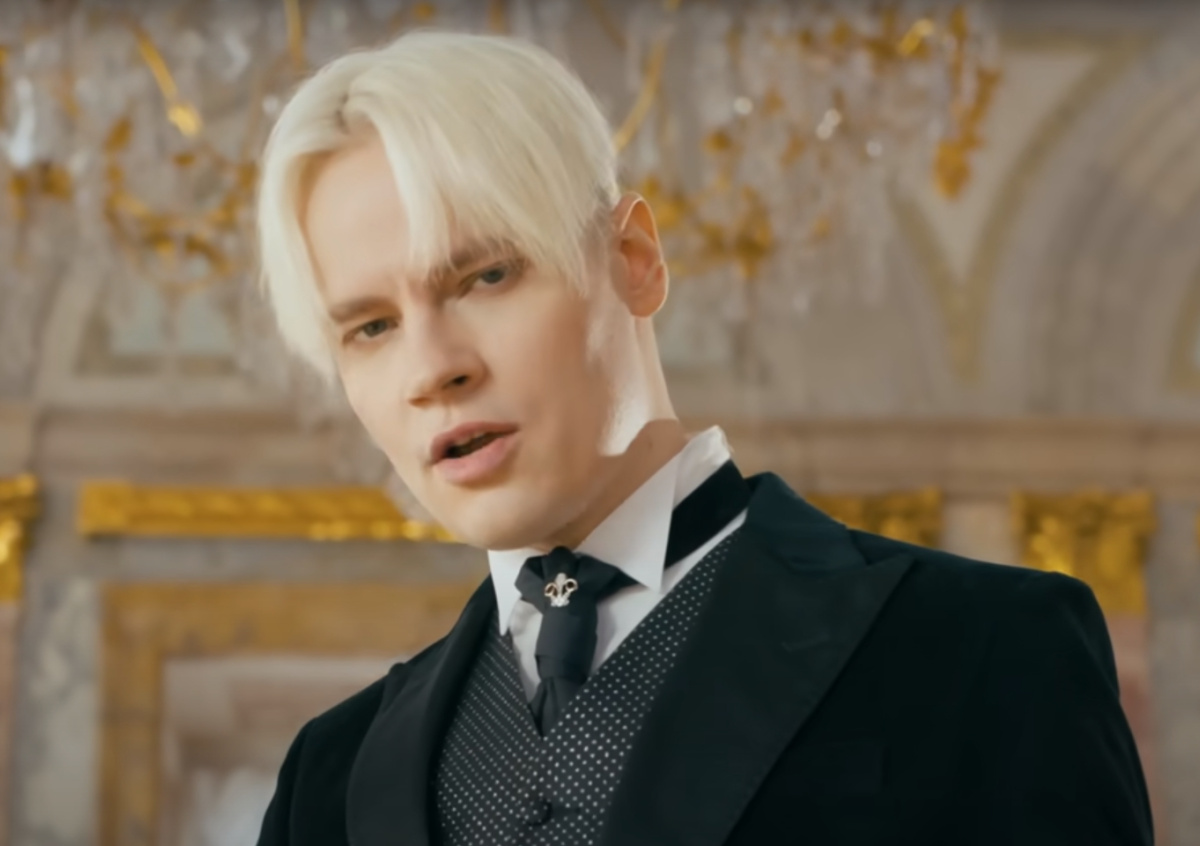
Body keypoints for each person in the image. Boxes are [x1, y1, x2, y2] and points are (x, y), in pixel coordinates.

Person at [253, 29, 1153, 846]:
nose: (430, 369)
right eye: (371, 327)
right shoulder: (328, 777)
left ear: (634, 261)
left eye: (486, 276)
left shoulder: (987, 651)